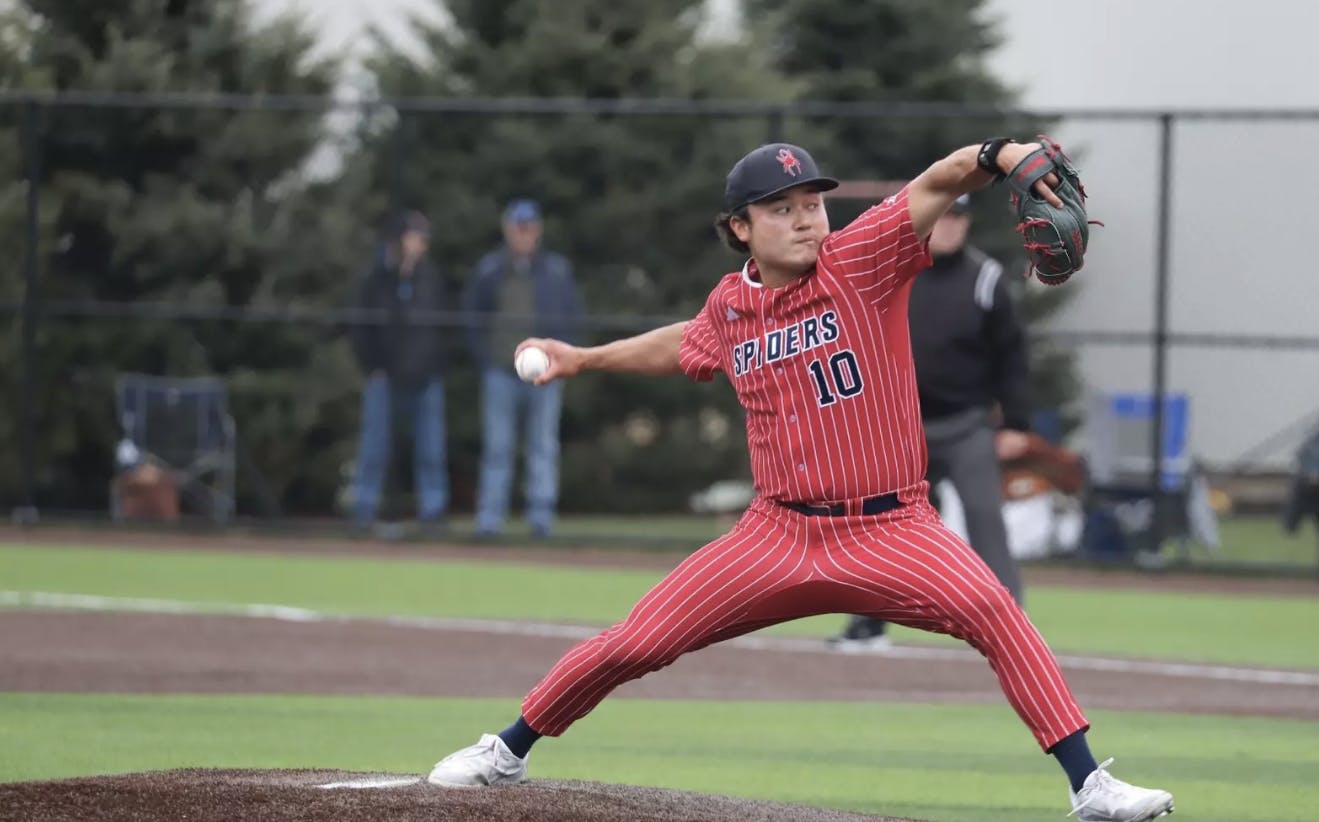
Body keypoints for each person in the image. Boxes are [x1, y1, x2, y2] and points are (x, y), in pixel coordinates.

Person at [427, 140, 1175, 821]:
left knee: (992, 605)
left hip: (890, 528)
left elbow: (940, 180)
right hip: (777, 534)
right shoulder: (731, 304)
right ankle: (507, 749)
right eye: (780, 209)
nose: (804, 219)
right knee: (635, 642)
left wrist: (1001, 153)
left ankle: (1091, 788)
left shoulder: (863, 258)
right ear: (741, 227)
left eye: (812, 203)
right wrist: (582, 358)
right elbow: (686, 344)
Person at [831, 192, 1034, 652]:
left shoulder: (985, 278)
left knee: (985, 520)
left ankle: (1012, 631)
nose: (949, 226)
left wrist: (1016, 422)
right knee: (880, 525)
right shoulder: (896, 274)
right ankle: (867, 626)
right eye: (942, 216)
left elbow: (1013, 355)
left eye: (958, 218)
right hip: (901, 431)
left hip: (967, 426)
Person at [464, 199, 584, 539]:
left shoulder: (556, 271)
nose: (523, 234)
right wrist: (485, 360)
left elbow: (572, 317)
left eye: (529, 227)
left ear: (538, 230)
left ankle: (541, 520)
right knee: (497, 448)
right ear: (507, 230)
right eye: (518, 227)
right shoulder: (489, 270)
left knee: (542, 447)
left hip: (546, 375)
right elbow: (473, 319)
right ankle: (490, 521)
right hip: (500, 372)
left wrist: (562, 361)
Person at [346, 211, 449, 534]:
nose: (421, 243)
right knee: (373, 448)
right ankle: (364, 510)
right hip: (384, 378)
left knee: (431, 451)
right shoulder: (375, 279)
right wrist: (372, 367)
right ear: (399, 239)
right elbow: (359, 327)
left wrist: (436, 365)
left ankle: (433, 514)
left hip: (425, 379)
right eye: (415, 236)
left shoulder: (431, 277)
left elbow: (447, 325)